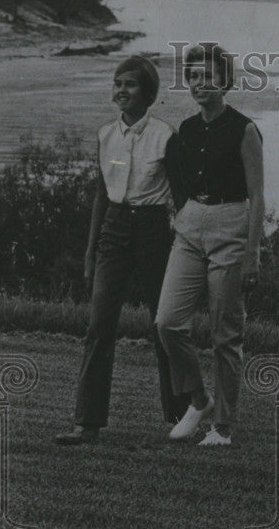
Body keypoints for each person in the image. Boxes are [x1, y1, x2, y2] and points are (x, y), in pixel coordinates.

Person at [55, 56, 188, 445]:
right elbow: (100, 195)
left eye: (130, 84)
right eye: (117, 84)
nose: (121, 90)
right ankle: (87, 422)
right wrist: (90, 251)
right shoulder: (105, 135)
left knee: (162, 324)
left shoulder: (166, 135)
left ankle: (180, 416)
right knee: (99, 326)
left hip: (153, 232)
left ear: (148, 93)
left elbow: (180, 200)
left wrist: (186, 248)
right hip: (113, 230)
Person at [155, 42, 265, 446]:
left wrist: (253, 252)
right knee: (166, 322)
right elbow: (180, 183)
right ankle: (199, 399)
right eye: (194, 76)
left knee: (225, 332)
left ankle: (223, 426)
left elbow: (258, 196)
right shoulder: (185, 129)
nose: (201, 83)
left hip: (232, 226)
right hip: (191, 226)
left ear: (226, 81)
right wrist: (184, 215)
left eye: (209, 76)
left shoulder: (245, 129)